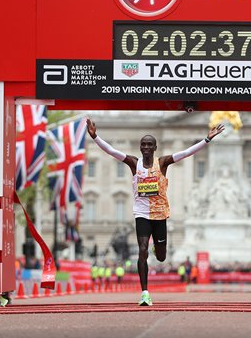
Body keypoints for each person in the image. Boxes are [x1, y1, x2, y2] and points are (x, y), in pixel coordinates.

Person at [86, 118, 224, 306]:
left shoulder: (163, 163)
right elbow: (112, 151)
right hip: (141, 213)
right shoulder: (134, 163)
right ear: (140, 147)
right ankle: (144, 293)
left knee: (160, 256)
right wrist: (95, 137)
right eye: (143, 144)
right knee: (142, 251)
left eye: (149, 145)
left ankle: (156, 248)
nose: (146, 147)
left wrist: (206, 140)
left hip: (159, 215)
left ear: (155, 147)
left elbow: (185, 153)